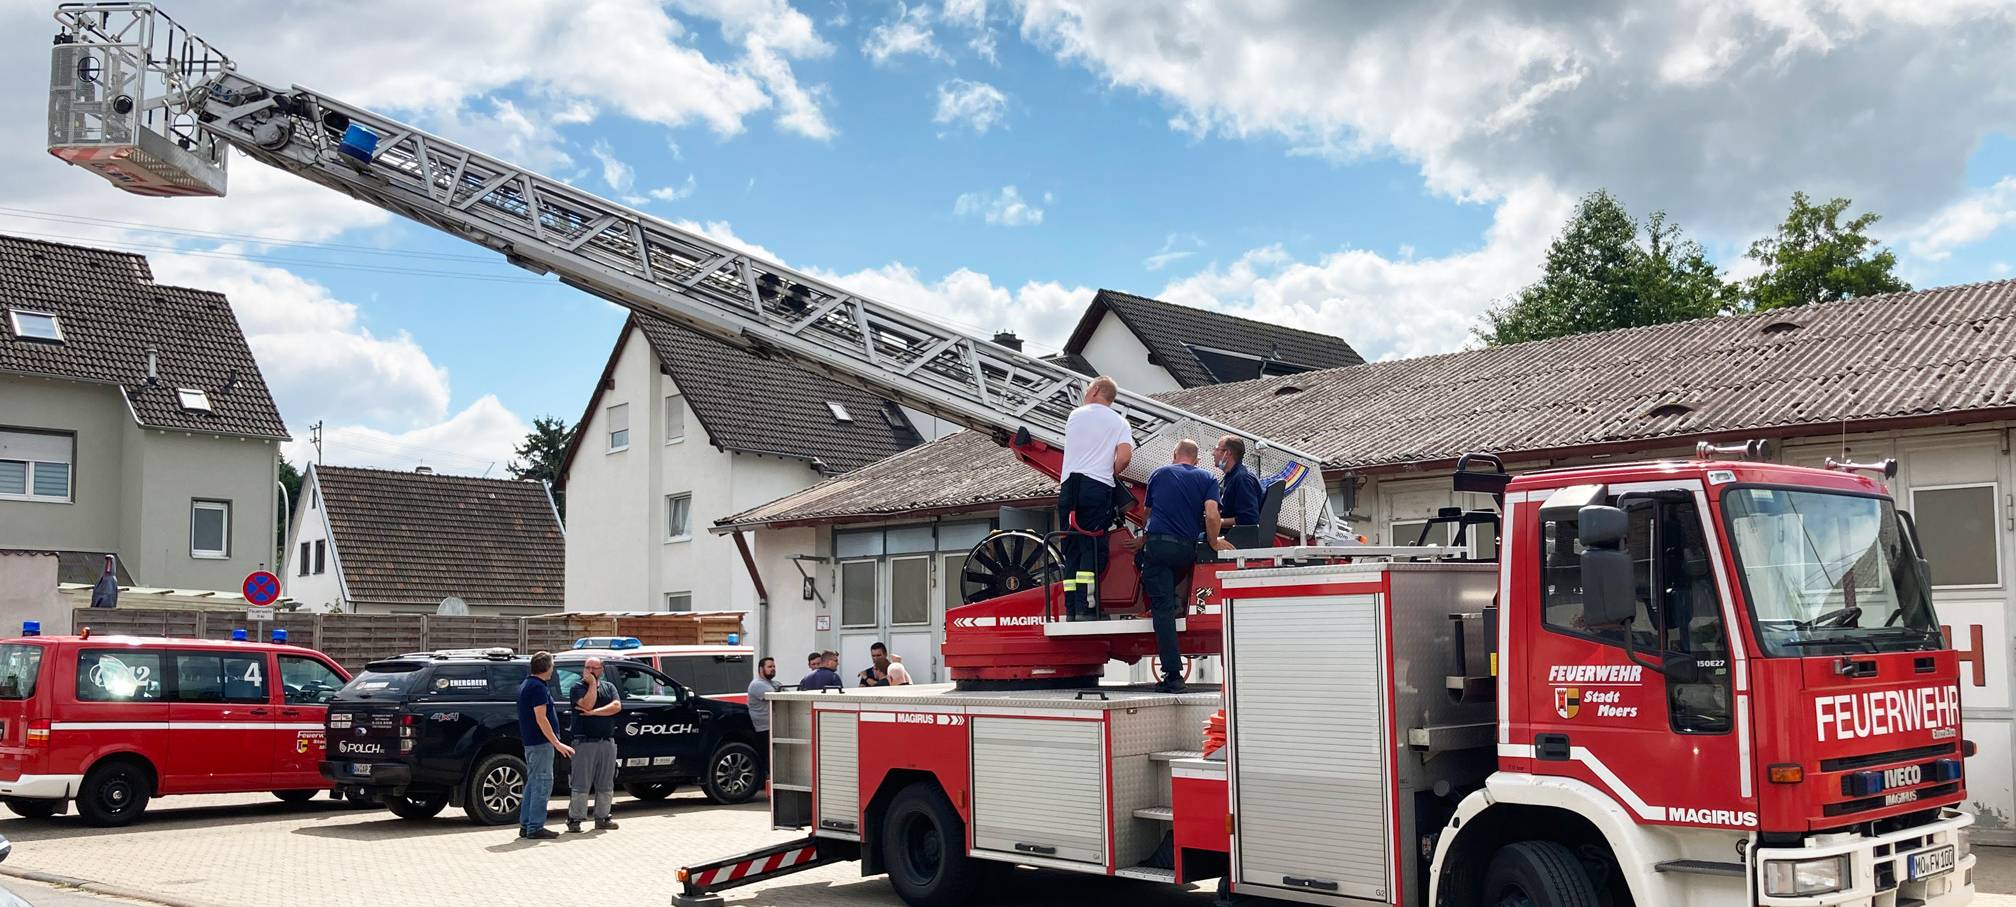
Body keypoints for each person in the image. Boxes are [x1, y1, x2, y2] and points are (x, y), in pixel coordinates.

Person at [1131, 440, 1233, 693]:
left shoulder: (1160, 473)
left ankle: (1174, 676)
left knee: (1161, 610)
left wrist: (1142, 538)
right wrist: (1213, 541)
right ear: (1196, 460)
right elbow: (1212, 515)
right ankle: (1178, 601)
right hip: (1186, 550)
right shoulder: (1208, 477)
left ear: (1174, 455)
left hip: (1159, 547)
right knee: (1176, 581)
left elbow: (1148, 513)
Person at [1057, 376, 1134, 620]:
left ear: (1097, 389)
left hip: (1069, 488)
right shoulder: (1119, 422)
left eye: (1088, 388)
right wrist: (1109, 471)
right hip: (1097, 486)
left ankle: (1070, 608)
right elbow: (1124, 457)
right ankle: (1086, 607)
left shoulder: (1075, 416)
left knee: (1071, 548)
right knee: (1091, 546)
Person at [515, 651, 573, 839]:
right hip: (540, 743)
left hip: (532, 743)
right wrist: (556, 743)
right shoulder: (538, 687)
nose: (553, 669)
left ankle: (526, 824)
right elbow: (541, 718)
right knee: (542, 783)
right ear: (547, 668)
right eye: (553, 666)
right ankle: (535, 827)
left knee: (533, 782)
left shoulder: (527, 684)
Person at [566, 657, 621, 833]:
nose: (590, 671)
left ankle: (603, 817)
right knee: (581, 783)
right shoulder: (577, 688)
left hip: (606, 742)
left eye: (594, 668)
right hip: (584, 741)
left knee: (606, 783)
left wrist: (594, 713)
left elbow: (616, 706)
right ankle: (575, 819)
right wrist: (591, 685)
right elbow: (587, 703)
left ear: (601, 670)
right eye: (587, 667)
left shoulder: (609, 687)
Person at [1214, 435, 1263, 529]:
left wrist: (1214, 522)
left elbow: (1249, 519)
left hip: (1231, 536)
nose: (1213, 453)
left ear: (1227, 453)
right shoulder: (1231, 476)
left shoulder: (1243, 479)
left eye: (1216, 449)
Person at [747, 657, 780, 787]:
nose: (773, 669)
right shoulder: (757, 685)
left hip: (774, 726)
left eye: (774, 666)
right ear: (761, 669)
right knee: (768, 758)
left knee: (775, 758)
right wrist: (780, 690)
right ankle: (766, 783)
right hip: (764, 728)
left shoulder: (773, 683)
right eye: (769, 667)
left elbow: (786, 693)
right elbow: (777, 697)